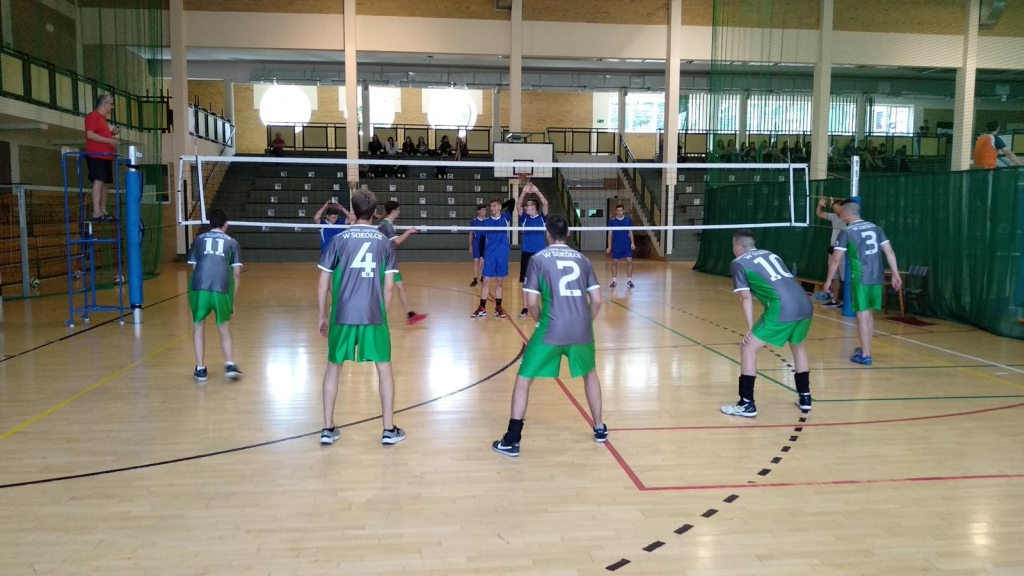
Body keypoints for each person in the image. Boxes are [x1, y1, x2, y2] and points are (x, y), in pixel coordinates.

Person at [492, 216, 608, 457]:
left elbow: (530, 302)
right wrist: (585, 322)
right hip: (581, 331)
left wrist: (540, 321)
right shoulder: (584, 260)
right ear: (568, 234)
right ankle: (599, 427)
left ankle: (512, 439)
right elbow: (597, 300)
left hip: (551, 329)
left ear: (547, 234)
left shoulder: (538, 259)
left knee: (524, 378)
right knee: (590, 374)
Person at [317, 190, 405, 446]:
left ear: (353, 212)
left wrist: (322, 315)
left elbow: (322, 283)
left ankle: (327, 428)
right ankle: (388, 430)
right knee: (384, 368)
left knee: (333, 367)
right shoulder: (384, 241)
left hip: (342, 313)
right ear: (374, 212)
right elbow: (389, 287)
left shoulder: (338, 239)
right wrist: (383, 314)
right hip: (373, 313)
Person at [721, 230, 813, 418]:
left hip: (782, 307)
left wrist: (750, 328)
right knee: (798, 347)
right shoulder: (771, 254)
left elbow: (745, 297)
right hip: (805, 304)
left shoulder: (738, 263)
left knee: (748, 348)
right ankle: (805, 397)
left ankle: (746, 404)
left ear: (737, 248)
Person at [824, 200, 902, 366]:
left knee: (862, 315)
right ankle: (866, 349)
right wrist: (895, 274)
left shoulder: (847, 231)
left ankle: (865, 355)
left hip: (861, 277)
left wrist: (828, 281)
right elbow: (889, 251)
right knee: (869, 314)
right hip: (877, 277)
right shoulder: (876, 228)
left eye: (841, 213)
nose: (841, 216)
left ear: (846, 213)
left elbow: (836, 259)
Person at [187, 209, 243, 383]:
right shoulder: (232, 242)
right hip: (221, 288)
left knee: (198, 326)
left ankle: (201, 369)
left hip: (199, 286)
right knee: (224, 327)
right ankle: (230, 364)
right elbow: (236, 274)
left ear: (210, 223)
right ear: (226, 224)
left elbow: (194, 268)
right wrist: (232, 300)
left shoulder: (198, 240)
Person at [378, 201, 428, 325]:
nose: (399, 212)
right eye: (398, 210)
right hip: (384, 262)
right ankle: (380, 319)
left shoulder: (386, 224)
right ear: (393, 211)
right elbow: (397, 241)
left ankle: (410, 314)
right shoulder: (386, 225)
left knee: (401, 287)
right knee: (384, 291)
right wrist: (408, 231)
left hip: (390, 262)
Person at [471, 197, 515, 318]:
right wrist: (481, 256)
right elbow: (481, 240)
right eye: (491, 206)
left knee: (500, 282)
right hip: (489, 255)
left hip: (502, 255)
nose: (491, 208)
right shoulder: (486, 222)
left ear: (500, 207)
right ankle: (482, 308)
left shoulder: (505, 218)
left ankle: (498, 308)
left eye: (494, 206)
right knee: (486, 281)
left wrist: (500, 206)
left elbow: (512, 201)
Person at [84, 94, 120, 220]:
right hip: (97, 156)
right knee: (98, 181)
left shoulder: (102, 119)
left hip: (106, 157)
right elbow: (90, 135)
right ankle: (96, 211)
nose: (112, 107)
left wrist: (111, 134)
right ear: (104, 104)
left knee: (106, 184)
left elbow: (101, 135)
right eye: (111, 104)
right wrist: (110, 141)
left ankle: (103, 209)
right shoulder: (93, 116)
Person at [517, 182, 549, 318]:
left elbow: (545, 203)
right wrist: (524, 192)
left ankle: (545, 307)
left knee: (542, 282)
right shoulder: (525, 219)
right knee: (525, 282)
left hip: (540, 254)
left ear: (534, 207)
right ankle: (525, 308)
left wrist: (536, 191)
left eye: (528, 205)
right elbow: (518, 205)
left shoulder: (542, 218)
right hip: (526, 253)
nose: (525, 207)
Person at [815, 197, 846, 308]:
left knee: (845, 277)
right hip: (833, 250)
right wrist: (820, 205)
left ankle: (848, 302)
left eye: (835, 207)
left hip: (843, 251)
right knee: (834, 276)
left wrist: (833, 204)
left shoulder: (846, 217)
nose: (834, 210)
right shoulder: (833, 216)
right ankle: (834, 300)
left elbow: (841, 210)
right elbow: (819, 213)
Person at [605, 204, 636, 288]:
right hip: (617, 245)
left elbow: (630, 232)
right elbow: (610, 234)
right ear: (615, 211)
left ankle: (629, 280)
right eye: (618, 210)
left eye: (621, 210)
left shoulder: (628, 220)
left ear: (623, 211)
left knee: (629, 261)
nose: (619, 212)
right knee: (614, 262)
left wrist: (632, 243)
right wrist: (609, 246)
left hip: (626, 244)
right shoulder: (612, 221)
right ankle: (614, 281)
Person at [468, 203, 488, 287]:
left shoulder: (487, 221)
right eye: (483, 210)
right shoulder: (474, 221)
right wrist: (470, 245)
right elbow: (470, 233)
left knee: (483, 261)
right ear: (478, 211)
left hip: (485, 244)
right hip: (476, 243)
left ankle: (483, 278)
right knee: (476, 261)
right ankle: (475, 279)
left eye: (485, 210)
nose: (484, 212)